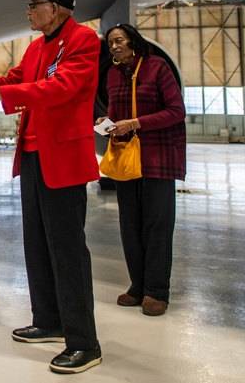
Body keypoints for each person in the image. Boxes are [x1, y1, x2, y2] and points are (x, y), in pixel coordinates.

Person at [0, 0, 102, 375]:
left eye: (34, 4)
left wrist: (3, 95)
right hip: (35, 154)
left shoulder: (83, 40)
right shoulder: (38, 45)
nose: (28, 11)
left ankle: (84, 342)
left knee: (68, 251)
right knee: (37, 243)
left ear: (56, 8)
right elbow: (19, 78)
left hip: (64, 157)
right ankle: (49, 320)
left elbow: (62, 88)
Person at [97, 23, 186, 317]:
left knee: (157, 226)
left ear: (134, 41)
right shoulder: (111, 74)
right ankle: (137, 286)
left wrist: (135, 123)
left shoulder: (157, 67)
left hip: (157, 158)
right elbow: (114, 112)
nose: (114, 46)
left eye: (119, 40)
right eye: (110, 43)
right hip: (126, 159)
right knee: (130, 227)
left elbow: (176, 111)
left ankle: (157, 291)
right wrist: (107, 124)